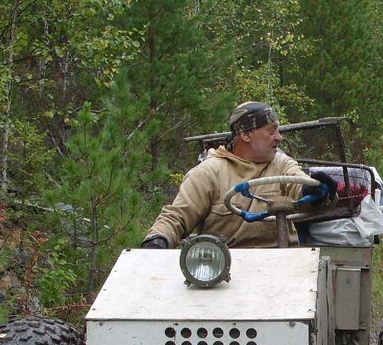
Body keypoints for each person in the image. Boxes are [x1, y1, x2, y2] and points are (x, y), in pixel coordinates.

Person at [141, 101, 334, 249]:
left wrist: (312, 191)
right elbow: (177, 216)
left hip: (282, 263)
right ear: (246, 135)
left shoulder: (281, 164)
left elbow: (298, 187)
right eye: (271, 131)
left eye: (278, 131)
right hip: (224, 269)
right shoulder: (208, 172)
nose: (279, 137)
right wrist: (158, 240)